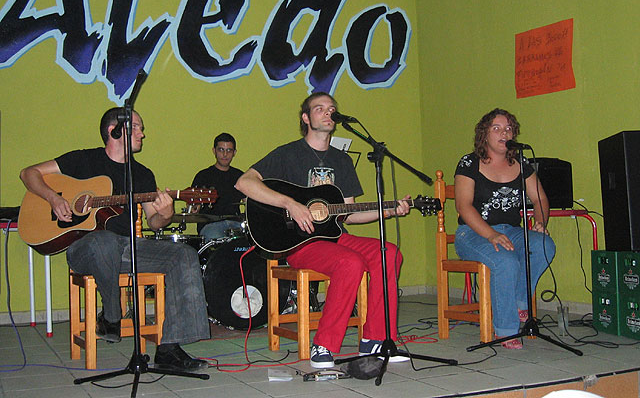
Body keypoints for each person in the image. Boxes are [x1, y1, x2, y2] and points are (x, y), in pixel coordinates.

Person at [19, 107, 211, 372]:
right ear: (115, 130)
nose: (143, 133)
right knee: (104, 240)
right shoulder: (83, 160)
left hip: (128, 249)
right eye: (137, 127)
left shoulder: (142, 174)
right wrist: (54, 198)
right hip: (86, 249)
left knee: (184, 255)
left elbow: (155, 221)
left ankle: (169, 347)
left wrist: (166, 214)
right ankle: (112, 315)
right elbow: (28, 173)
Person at [235, 92, 411, 368]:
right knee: (349, 262)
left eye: (332, 109)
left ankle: (376, 339)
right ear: (306, 118)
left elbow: (349, 215)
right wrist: (290, 204)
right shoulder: (287, 153)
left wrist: (388, 210)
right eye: (320, 109)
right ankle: (324, 344)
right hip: (300, 244)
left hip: (335, 237)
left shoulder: (341, 161)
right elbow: (244, 183)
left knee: (388, 252)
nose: (328, 113)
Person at [454, 108, 556, 349]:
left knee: (544, 245)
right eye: (497, 128)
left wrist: (540, 222)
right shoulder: (469, 162)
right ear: (484, 134)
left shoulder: (521, 162)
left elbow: (540, 199)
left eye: (508, 128)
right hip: (473, 234)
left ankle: (520, 300)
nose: (504, 132)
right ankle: (506, 331)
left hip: (510, 231)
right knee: (506, 261)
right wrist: (491, 234)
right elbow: (463, 206)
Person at [191, 133, 245, 242]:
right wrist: (194, 207)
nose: (225, 154)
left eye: (229, 150)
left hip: (236, 224)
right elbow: (193, 204)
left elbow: (249, 202)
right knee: (216, 239)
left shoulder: (240, 176)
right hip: (211, 225)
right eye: (221, 150)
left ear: (234, 153)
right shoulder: (203, 176)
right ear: (214, 151)